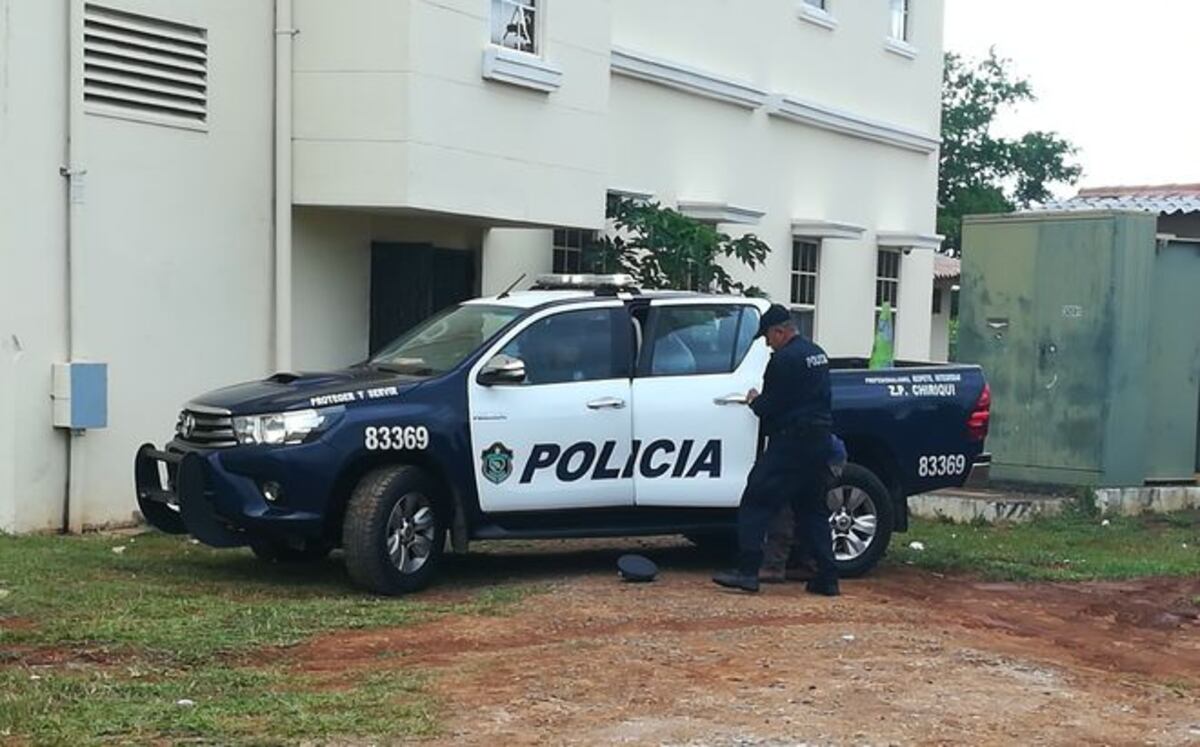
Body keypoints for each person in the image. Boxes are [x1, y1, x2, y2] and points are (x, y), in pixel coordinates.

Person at [713, 304, 840, 595]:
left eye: (768, 337)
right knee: (812, 509)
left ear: (780, 331)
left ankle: (747, 572)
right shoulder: (816, 353)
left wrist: (754, 400)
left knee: (755, 500)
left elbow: (770, 406)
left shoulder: (783, 360)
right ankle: (828, 577)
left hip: (791, 442)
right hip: (819, 440)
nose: (768, 343)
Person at [759, 433, 847, 583]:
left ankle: (774, 567)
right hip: (828, 455)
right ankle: (809, 564)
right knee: (807, 510)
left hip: (814, 457)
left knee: (783, 509)